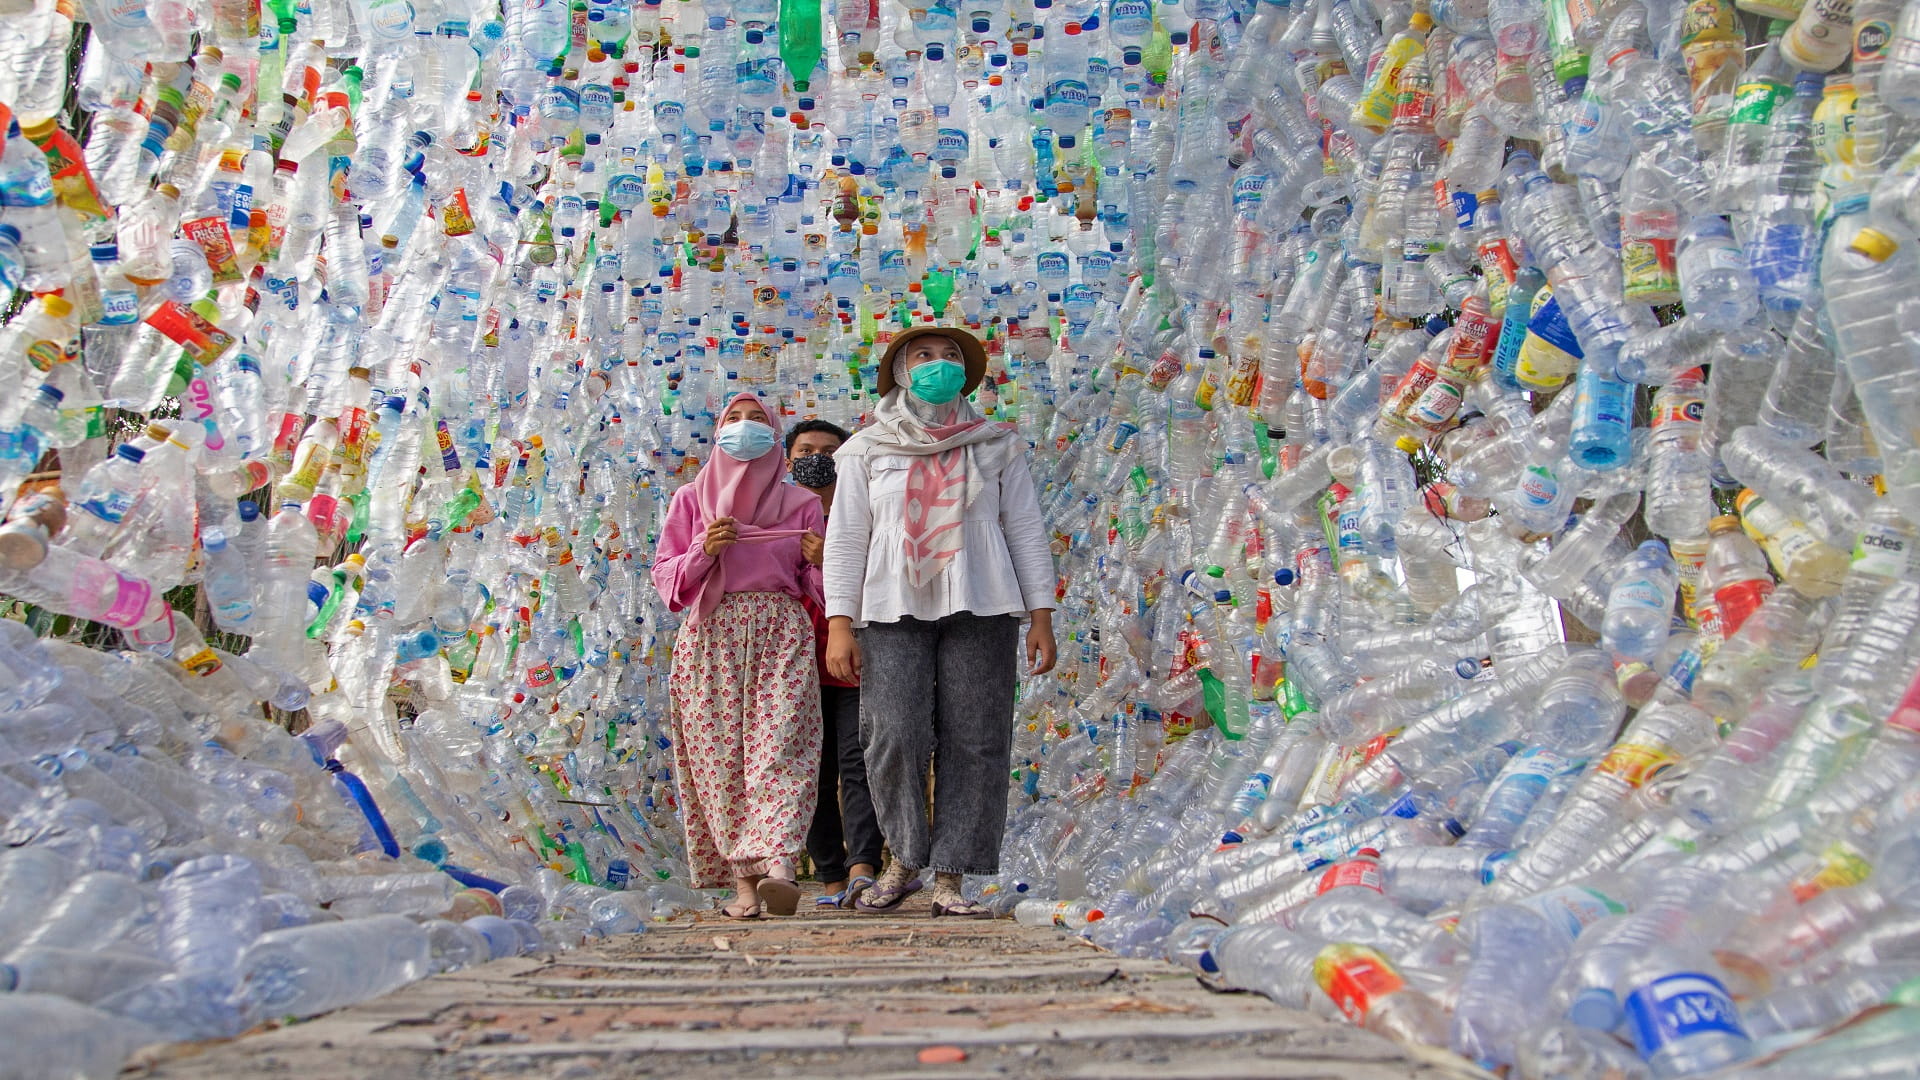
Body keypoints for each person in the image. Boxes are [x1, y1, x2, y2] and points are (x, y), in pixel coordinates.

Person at [822, 326, 1058, 918]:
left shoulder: (996, 444)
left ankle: (951, 876)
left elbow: (1025, 528)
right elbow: (846, 537)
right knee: (894, 732)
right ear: (902, 372)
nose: (939, 364)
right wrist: (839, 623)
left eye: (951, 356)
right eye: (924, 356)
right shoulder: (865, 449)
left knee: (976, 738)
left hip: (983, 599)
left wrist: (1041, 614)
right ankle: (904, 859)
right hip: (890, 604)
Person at [652, 394, 826, 919]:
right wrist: (705, 549)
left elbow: (822, 590)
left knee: (783, 747)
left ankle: (781, 866)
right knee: (720, 761)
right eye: (734, 418)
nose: (745, 427)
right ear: (718, 431)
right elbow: (668, 582)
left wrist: (823, 561)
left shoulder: (802, 504)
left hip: (781, 632)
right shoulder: (690, 499)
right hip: (712, 634)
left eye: (757, 420)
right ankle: (745, 887)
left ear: (774, 434)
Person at [786, 419, 886, 910]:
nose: (818, 459)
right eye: (806, 451)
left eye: (830, 451)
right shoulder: (776, 516)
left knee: (859, 761)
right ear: (787, 461)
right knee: (811, 772)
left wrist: (833, 560)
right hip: (792, 667)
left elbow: (889, 578)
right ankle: (828, 877)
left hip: (854, 660)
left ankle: (863, 866)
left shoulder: (868, 512)